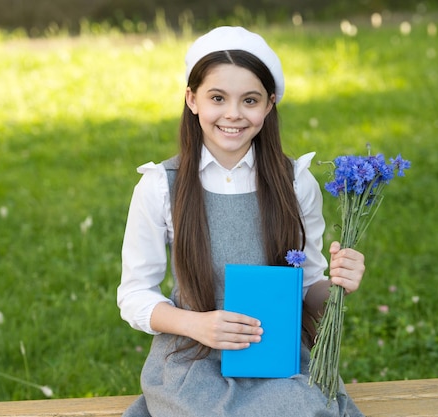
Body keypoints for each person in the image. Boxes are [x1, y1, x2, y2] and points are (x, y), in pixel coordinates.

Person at [117, 26, 366, 417]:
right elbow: (134, 295)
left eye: (249, 100)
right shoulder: (160, 187)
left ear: (269, 105)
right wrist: (198, 325)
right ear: (192, 99)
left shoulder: (294, 181)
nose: (233, 114)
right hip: (193, 358)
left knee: (301, 409)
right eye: (217, 98)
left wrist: (338, 284)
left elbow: (308, 288)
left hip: (278, 358)